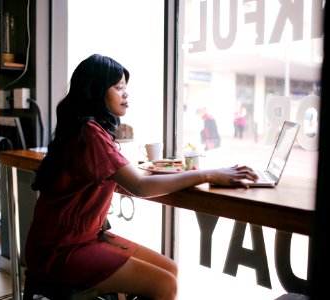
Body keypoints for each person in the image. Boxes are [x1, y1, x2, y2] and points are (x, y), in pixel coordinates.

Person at [25, 54, 258, 300]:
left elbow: (125, 180)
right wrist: (208, 174)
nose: (126, 94)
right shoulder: (89, 133)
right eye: (118, 87)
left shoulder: (85, 129)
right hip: (61, 249)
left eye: (126, 88)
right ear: (96, 91)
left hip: (75, 238)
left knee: (170, 270)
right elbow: (139, 186)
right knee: (164, 284)